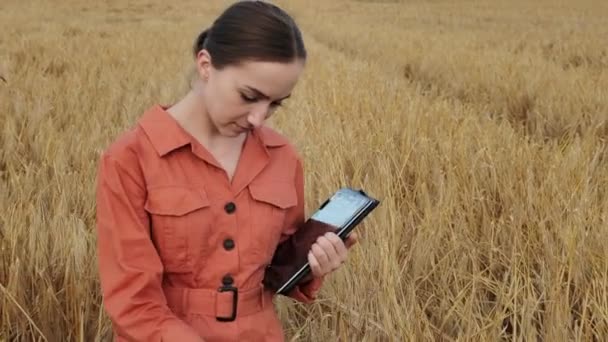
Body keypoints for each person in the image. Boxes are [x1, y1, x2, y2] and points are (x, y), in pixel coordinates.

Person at [94, 1, 358, 341]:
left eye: (275, 103)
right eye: (249, 96)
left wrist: (313, 265)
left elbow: (276, 271)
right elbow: (132, 302)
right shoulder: (130, 159)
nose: (258, 119)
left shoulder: (283, 157)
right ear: (206, 65)